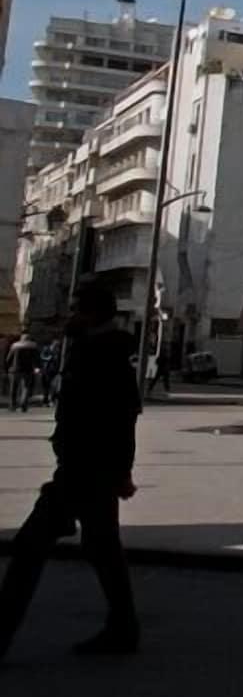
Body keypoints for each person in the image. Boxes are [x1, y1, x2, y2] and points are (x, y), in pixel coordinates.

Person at [0, 280, 142, 661]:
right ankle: (124, 628)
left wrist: (122, 471)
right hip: (84, 468)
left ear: (96, 314)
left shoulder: (106, 354)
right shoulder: (90, 349)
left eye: (78, 309)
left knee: (29, 548)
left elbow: (122, 418)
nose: (71, 316)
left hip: (84, 470)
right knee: (103, 549)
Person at [6, 334, 37, 412]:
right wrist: (38, 367)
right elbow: (37, 359)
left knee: (13, 388)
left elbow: (9, 358)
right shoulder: (33, 346)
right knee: (26, 387)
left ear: (21, 339)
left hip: (14, 370)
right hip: (27, 370)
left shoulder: (15, 346)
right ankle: (23, 403)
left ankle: (12, 405)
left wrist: (7, 367)